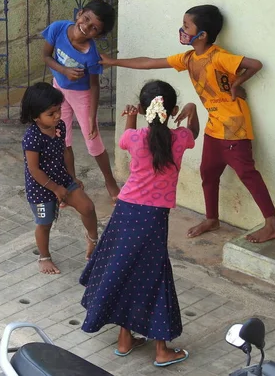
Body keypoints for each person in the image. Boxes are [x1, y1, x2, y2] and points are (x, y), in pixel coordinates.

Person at [99, 4, 275, 243]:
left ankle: (272, 224)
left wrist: (237, 84)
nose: (182, 30)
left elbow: (255, 65)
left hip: (234, 128)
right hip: (215, 126)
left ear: (202, 35)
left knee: (248, 174)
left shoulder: (219, 57)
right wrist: (113, 62)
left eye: (187, 26)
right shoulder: (188, 58)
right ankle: (212, 219)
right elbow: (150, 62)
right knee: (208, 173)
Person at [80, 80, 199, 367]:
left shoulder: (135, 139)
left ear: (145, 110)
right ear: (171, 111)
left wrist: (131, 116)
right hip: (153, 218)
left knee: (125, 268)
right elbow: (194, 131)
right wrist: (192, 108)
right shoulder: (180, 138)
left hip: (125, 211)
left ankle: (125, 340)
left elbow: (125, 137)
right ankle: (161, 350)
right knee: (154, 275)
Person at [42, 0, 120, 201]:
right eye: (85, 19)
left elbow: (94, 86)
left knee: (93, 140)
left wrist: (92, 117)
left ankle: (110, 181)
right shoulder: (58, 28)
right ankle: (72, 181)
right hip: (59, 89)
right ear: (79, 14)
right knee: (62, 137)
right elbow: (45, 55)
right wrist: (64, 71)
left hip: (82, 95)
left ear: (99, 35)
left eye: (94, 28)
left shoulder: (91, 55)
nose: (86, 27)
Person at [20, 82, 99, 275]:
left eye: (58, 110)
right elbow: (34, 170)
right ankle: (44, 257)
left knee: (87, 207)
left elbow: (66, 152)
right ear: (35, 116)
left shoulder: (60, 126)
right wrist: (55, 189)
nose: (57, 116)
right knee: (44, 223)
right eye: (51, 113)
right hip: (41, 188)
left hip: (63, 180)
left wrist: (72, 177)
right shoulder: (32, 138)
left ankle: (93, 241)